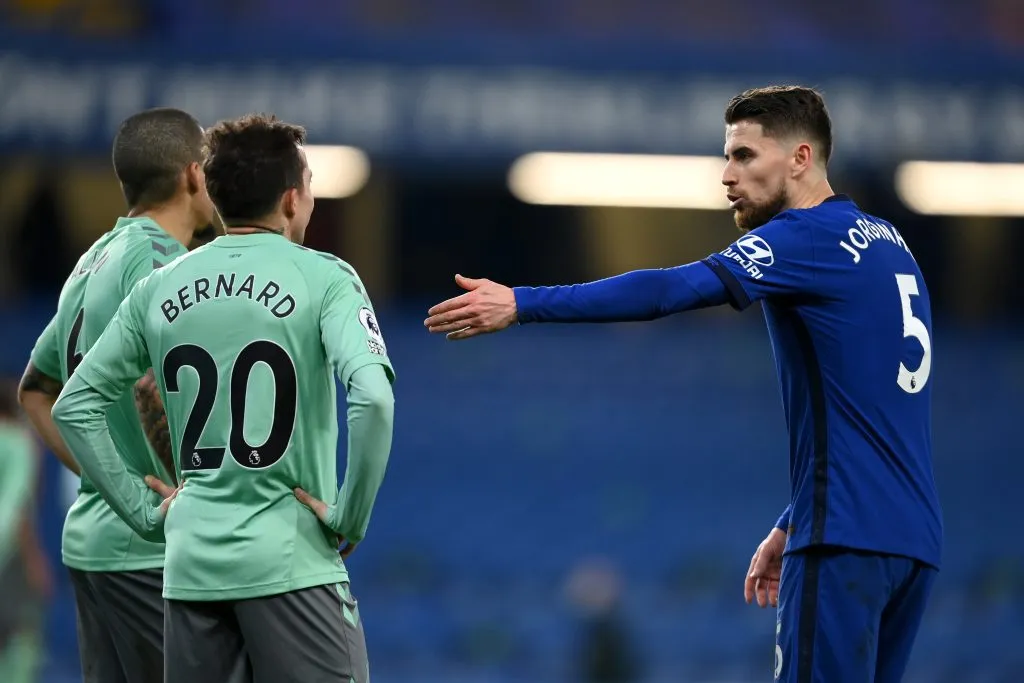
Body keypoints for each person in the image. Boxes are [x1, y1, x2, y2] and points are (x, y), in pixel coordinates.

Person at [423, 85, 942, 683]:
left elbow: (670, 290)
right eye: (727, 157)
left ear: (801, 158)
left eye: (745, 156)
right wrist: (797, 516)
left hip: (844, 539)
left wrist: (523, 302)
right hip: (912, 542)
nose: (727, 175)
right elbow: (875, 409)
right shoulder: (891, 246)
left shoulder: (805, 236)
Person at [50, 113, 396, 683]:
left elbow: (73, 404)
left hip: (190, 572)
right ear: (291, 199)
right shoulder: (327, 278)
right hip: (290, 563)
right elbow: (374, 399)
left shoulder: (158, 286)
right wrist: (350, 517)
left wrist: (143, 515)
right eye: (310, 185)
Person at [17, 107, 217, 683]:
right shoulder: (168, 267)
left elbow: (37, 391)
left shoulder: (90, 262)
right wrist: (145, 500)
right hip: (153, 555)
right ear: (193, 174)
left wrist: (109, 483)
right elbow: (155, 390)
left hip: (95, 546)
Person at [0, 384, 52, 683]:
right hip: (9, 558)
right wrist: (34, 560)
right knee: (22, 638)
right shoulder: (19, 442)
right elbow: (16, 509)